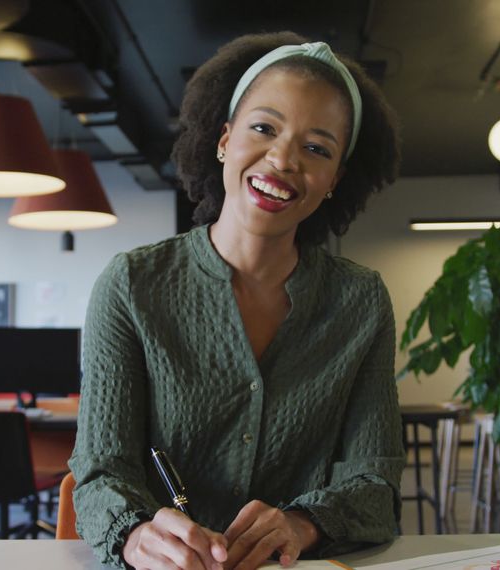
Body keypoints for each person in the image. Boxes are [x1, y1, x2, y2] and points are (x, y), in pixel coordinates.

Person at [70, 31, 405, 570]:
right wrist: (137, 536)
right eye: (264, 128)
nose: (282, 159)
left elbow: (375, 484)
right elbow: (100, 473)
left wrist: (301, 523)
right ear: (225, 139)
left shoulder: (361, 302)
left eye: (316, 148)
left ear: (335, 179)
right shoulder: (131, 285)